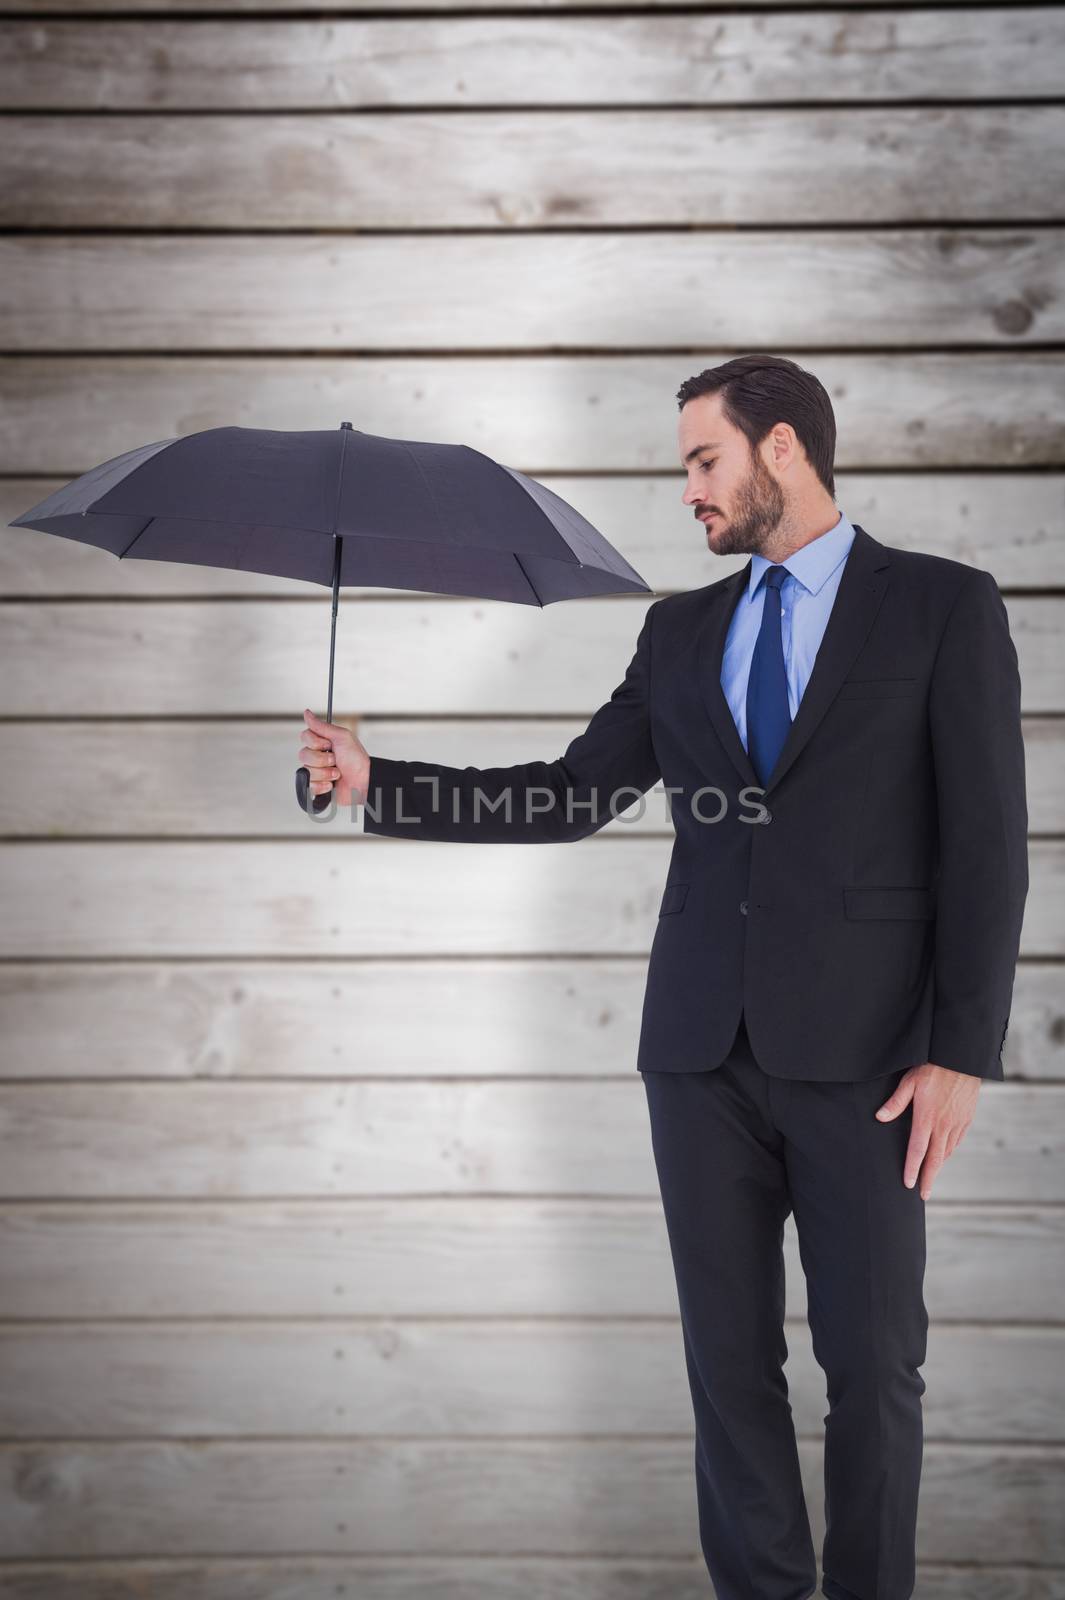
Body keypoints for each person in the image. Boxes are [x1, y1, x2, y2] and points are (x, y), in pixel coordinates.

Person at [296, 354, 1029, 1600]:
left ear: (783, 448)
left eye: (705, 459)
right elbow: (574, 794)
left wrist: (961, 1049)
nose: (688, 487)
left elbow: (988, 842)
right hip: (697, 1055)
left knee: (874, 1365)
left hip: (872, 1064)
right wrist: (381, 782)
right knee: (727, 1367)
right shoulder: (682, 629)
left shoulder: (941, 608)